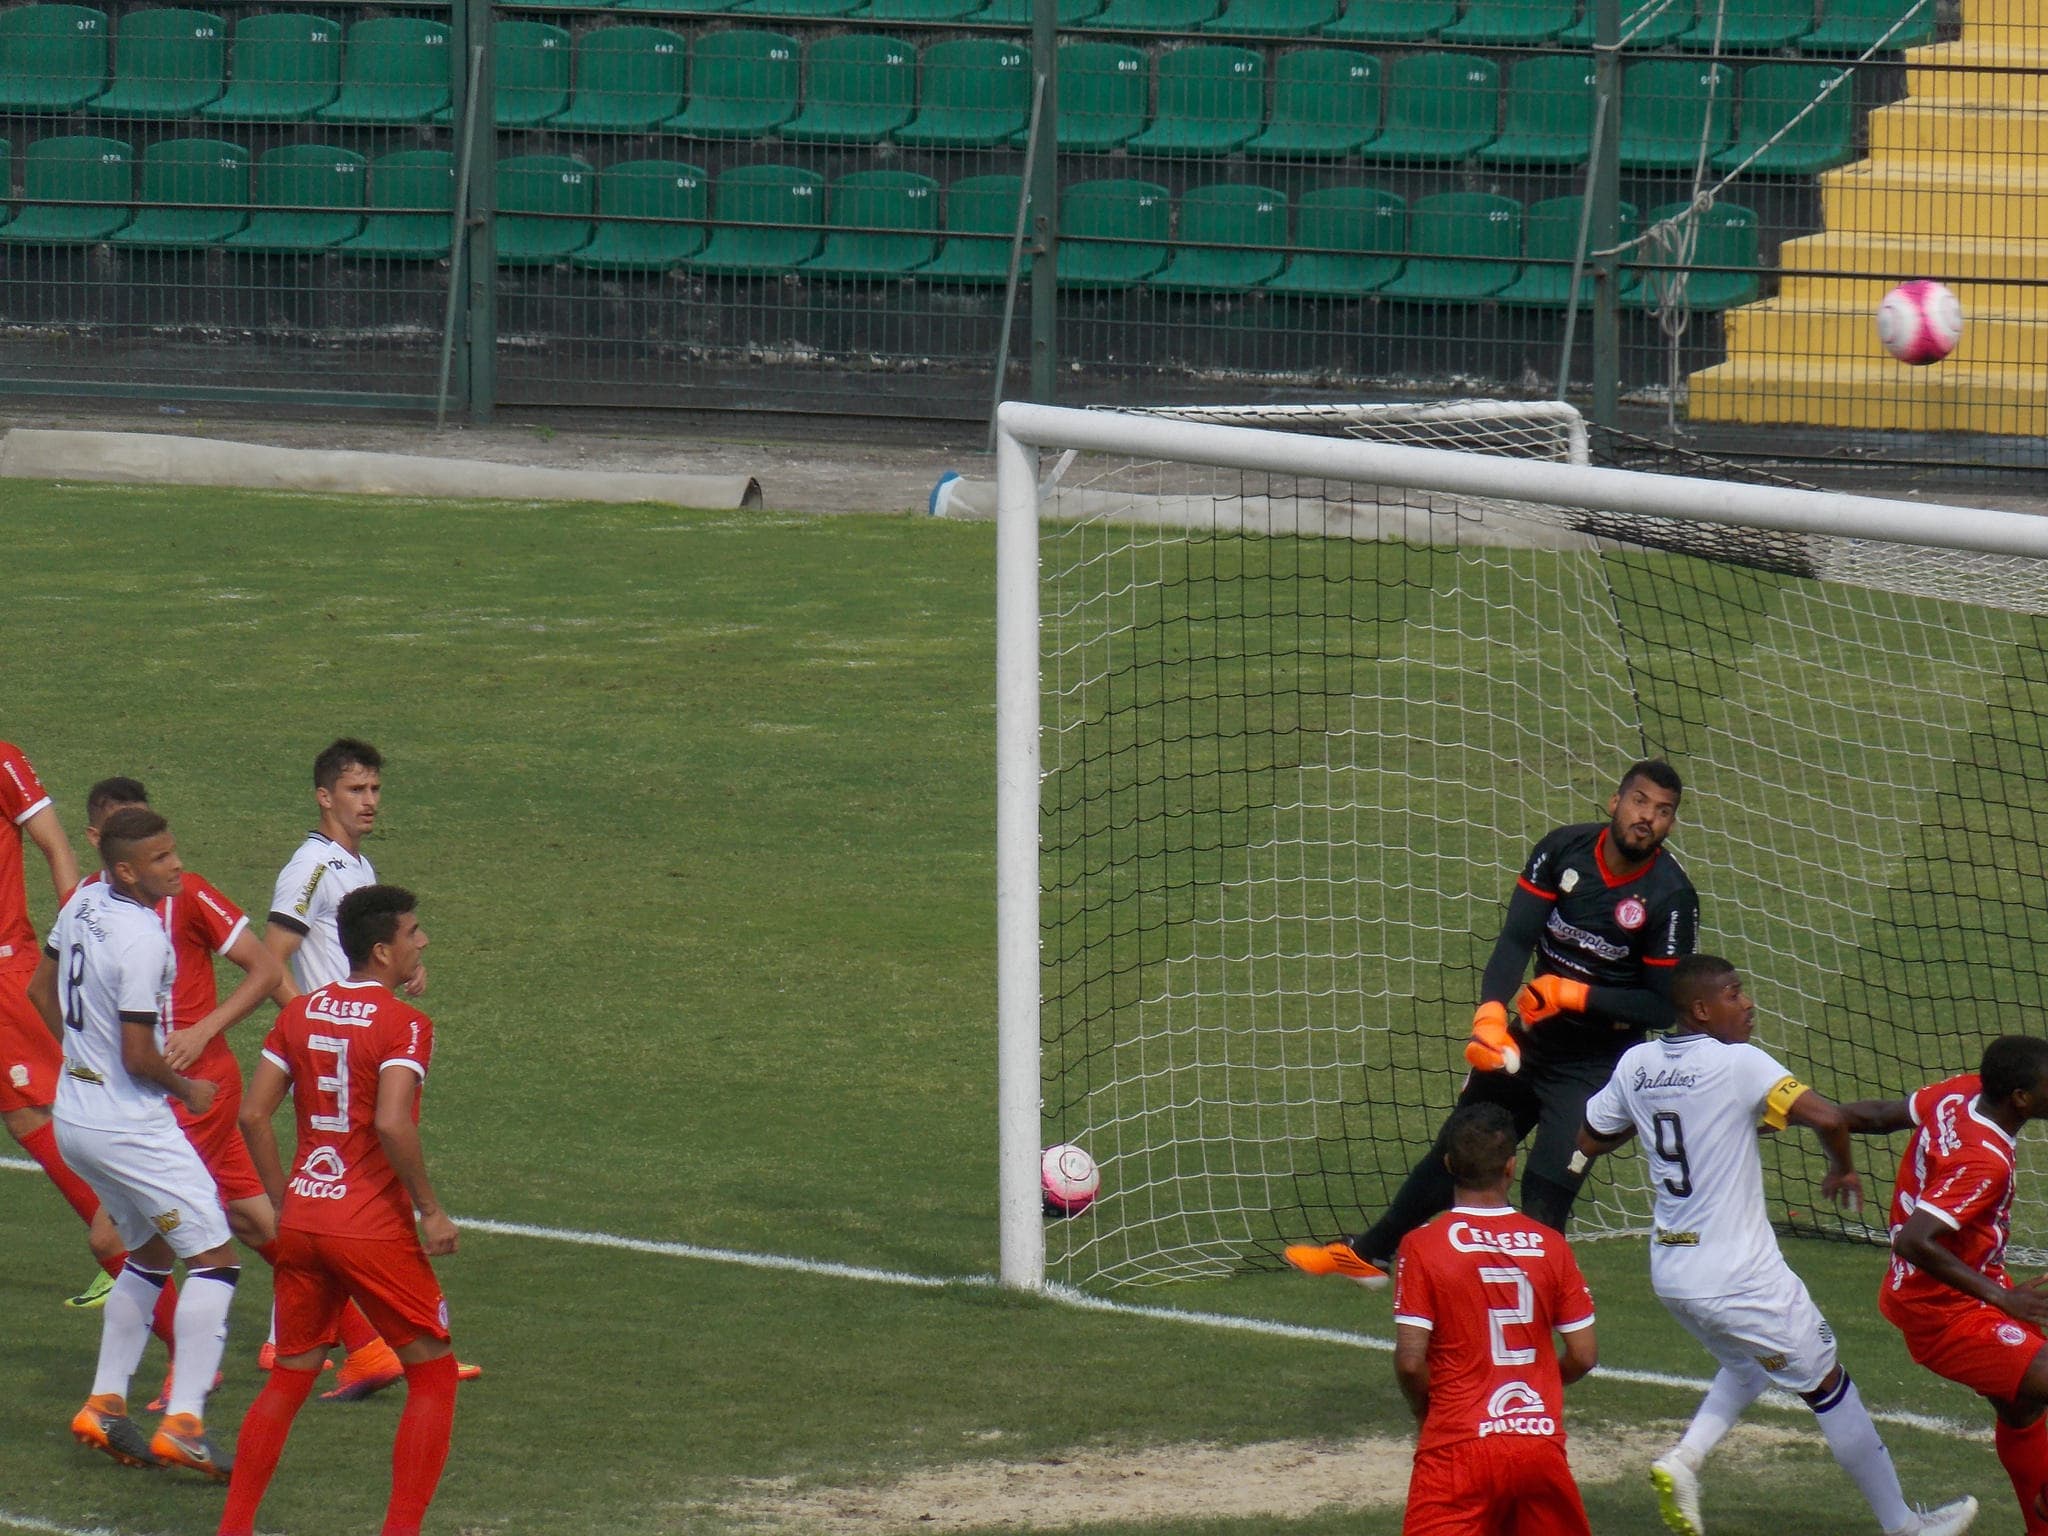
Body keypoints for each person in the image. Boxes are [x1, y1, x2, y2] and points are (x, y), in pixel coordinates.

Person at [1576, 955, 1977, 1536]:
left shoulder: (1636, 1063)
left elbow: (1592, 1135)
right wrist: (1842, 1169)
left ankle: (1684, 1460)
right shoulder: (1738, 1063)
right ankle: (1905, 1528)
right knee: (1829, 1385)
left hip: (1673, 1271)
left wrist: (1671, 1112)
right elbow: (1830, 1118)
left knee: (1747, 1365)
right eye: (1735, 995)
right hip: (1738, 1275)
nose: (1747, 1004)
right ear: (1700, 1010)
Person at [1290, 759, 1699, 1287]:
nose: (1648, 817)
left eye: (1663, 812)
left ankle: (1536, 1311)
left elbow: (1662, 1007)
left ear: (1670, 825)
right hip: (1530, 1045)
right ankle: (1370, 1255)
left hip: (1595, 1066)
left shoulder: (1671, 897)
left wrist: (1571, 994)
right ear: (1615, 803)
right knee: (1460, 1152)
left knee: (1545, 1190)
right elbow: (1515, 940)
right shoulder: (1562, 850)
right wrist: (1490, 1014)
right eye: (1640, 802)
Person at [78, 778, 417, 1401]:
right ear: (106, 850)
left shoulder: (191, 896)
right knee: (261, 1224)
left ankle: (188, 1366)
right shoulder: (89, 906)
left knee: (114, 1239)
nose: (165, 859)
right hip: (154, 1090)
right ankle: (369, 1345)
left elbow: (266, 967)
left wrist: (205, 1028)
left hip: (189, 1091)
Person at [222, 884, 459, 1536]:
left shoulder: (301, 1012)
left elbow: (252, 1113)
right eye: (414, 933)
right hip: (371, 1228)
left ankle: (233, 1529)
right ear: (383, 950)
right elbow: (392, 1121)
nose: (423, 941)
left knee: (289, 1382)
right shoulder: (406, 1024)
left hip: (302, 1219)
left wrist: (282, 1199)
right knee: (435, 1378)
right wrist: (430, 1210)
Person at [28, 806, 239, 1479]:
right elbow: (142, 1054)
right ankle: (184, 1422)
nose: (176, 866)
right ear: (127, 869)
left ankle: (104, 1404)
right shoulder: (146, 938)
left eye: (174, 853)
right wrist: (190, 1091)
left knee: (147, 1254)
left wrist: (81, 1062)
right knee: (215, 1258)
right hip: (131, 1126)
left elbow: (39, 989)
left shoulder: (82, 901)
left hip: (77, 1117)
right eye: (160, 859)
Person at [261, 739, 464, 1397]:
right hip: (341, 1064)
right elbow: (272, 961)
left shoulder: (355, 862)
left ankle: (328, 1342)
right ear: (324, 796)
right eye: (356, 791)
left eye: (375, 790)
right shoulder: (310, 870)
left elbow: (358, 946)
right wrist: (316, 1033)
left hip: (355, 1054)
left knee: (336, 1202)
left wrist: (402, 967)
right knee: (356, 1199)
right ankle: (395, 1344)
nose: (370, 802)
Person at [1838, 1037, 2048, 1536]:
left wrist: (1810, 1114)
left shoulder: (1961, 1093)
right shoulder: (1985, 1161)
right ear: (2020, 1098)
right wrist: (2004, 1298)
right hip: (1943, 1310)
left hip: (1960, 1288)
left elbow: (1881, 1115)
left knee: (2022, 1406)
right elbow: (1914, 1240)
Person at [1391, 1101, 1598, 1536]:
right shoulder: (1550, 1244)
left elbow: (1411, 1361)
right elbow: (1582, 1354)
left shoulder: (1422, 1245)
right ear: (1510, 1166)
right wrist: (1539, 1384)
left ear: (1448, 1164)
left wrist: (1424, 1410)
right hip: (1538, 1446)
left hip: (1456, 1448)